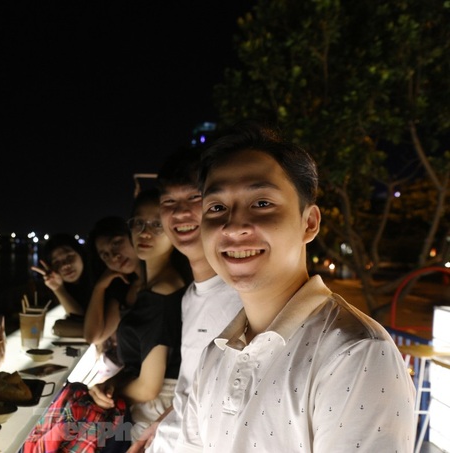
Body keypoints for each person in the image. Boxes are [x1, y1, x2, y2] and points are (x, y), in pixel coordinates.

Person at [178, 120, 416, 451]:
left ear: (310, 223)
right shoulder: (213, 356)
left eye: (262, 203)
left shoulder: (355, 353)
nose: (234, 227)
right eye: (217, 208)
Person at [131, 147, 243, 453]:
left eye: (194, 198)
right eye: (169, 201)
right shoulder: (191, 297)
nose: (180, 213)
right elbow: (191, 391)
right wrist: (159, 426)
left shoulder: (245, 299)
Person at [88, 188, 190, 444]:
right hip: (152, 409)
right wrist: (112, 382)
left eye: (157, 224)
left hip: (152, 415)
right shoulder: (153, 287)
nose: (144, 232)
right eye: (138, 223)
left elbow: (148, 387)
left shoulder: (161, 292)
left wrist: (102, 391)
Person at [84, 216, 142, 361]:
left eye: (117, 243)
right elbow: (94, 336)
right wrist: (100, 287)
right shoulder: (127, 288)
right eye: (105, 256)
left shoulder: (164, 283)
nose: (114, 257)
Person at [31, 233, 94, 317]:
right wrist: (58, 288)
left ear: (81, 255)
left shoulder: (101, 283)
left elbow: (85, 325)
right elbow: (78, 318)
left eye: (69, 257)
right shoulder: (62, 289)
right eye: (56, 262)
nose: (65, 265)